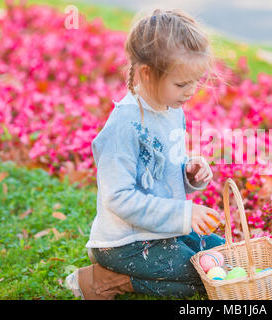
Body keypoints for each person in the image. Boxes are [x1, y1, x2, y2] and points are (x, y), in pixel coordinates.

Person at [66, 8, 225, 300]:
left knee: (221, 253)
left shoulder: (171, 109)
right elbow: (120, 198)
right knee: (204, 278)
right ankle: (106, 281)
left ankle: (129, 273)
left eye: (195, 81)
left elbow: (163, 169)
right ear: (146, 73)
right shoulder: (124, 127)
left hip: (162, 230)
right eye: (181, 84)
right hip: (126, 242)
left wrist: (189, 171)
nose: (191, 92)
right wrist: (184, 213)